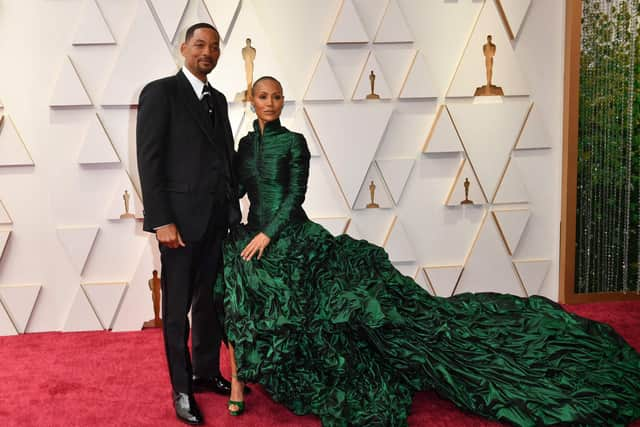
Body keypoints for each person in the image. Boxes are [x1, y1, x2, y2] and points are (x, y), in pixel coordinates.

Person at [217, 76, 640, 426]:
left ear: (283, 101)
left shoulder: (294, 142)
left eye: (276, 96)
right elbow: (238, 189)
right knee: (236, 287)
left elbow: (295, 196)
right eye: (262, 96)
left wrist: (268, 235)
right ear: (251, 101)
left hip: (290, 236)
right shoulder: (244, 146)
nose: (269, 103)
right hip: (253, 237)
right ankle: (240, 381)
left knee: (365, 310)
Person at [136, 22, 240, 425]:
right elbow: (150, 160)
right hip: (178, 224)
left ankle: (205, 372)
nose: (207, 52)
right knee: (177, 310)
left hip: (216, 221)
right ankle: (181, 390)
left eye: (214, 47)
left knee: (210, 304)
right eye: (200, 45)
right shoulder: (161, 93)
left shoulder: (219, 100)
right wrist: (162, 220)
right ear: (183, 48)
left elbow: (225, 157)